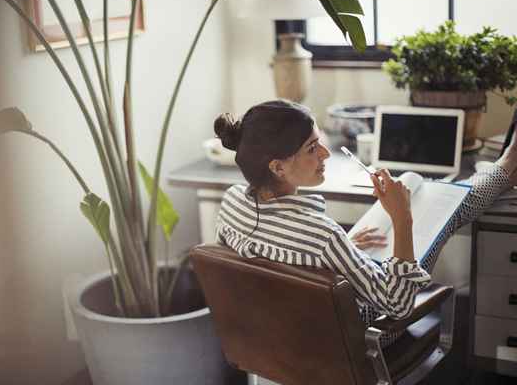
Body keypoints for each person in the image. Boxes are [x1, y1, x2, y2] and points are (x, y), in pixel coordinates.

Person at [213, 99, 517, 347]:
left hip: (276, 338)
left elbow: (270, 258)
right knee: (444, 217)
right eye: (311, 148)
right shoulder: (324, 238)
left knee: (426, 215)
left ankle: (503, 170)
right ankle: (505, 167)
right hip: (351, 341)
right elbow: (397, 306)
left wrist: (334, 254)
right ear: (278, 167)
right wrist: (402, 218)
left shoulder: (231, 202)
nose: (326, 153)